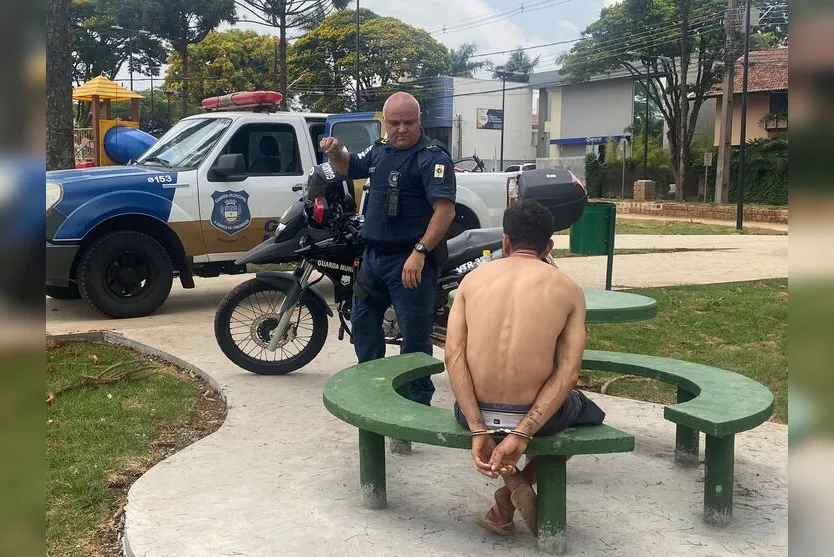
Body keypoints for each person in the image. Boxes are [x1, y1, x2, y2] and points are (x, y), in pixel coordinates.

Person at [444, 199, 606, 538]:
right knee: (587, 416)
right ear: (549, 246)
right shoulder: (569, 290)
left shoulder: (470, 283)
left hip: (474, 413)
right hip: (539, 421)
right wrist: (521, 434)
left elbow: (453, 357)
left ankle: (507, 498)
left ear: (505, 241)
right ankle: (510, 492)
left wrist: (477, 427)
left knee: (554, 409)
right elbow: (568, 372)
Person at [320, 91, 457, 412]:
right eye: (394, 123)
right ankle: (374, 396)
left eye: (408, 122)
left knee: (414, 342)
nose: (401, 129)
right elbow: (347, 166)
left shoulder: (432, 158)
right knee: (365, 331)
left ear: (419, 122)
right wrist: (336, 150)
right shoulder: (381, 151)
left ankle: (415, 407)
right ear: (385, 123)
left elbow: (445, 212)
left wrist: (420, 252)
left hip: (411, 263)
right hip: (374, 259)